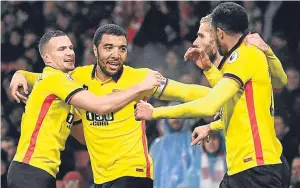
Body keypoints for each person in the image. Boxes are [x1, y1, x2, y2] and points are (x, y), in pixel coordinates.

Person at [10, 22, 286, 188]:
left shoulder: (141, 77)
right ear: (95, 51)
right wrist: (21, 75)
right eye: (108, 48)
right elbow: (48, 79)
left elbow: (184, 90)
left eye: (121, 48)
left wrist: (218, 94)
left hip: (134, 174)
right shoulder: (77, 77)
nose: (115, 55)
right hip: (100, 178)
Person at [135, 2, 290, 188]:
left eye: (201, 35)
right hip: (248, 168)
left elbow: (210, 104)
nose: (195, 42)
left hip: (256, 168)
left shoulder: (243, 57)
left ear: (218, 33)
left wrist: (155, 113)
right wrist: (212, 125)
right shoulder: (238, 62)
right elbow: (236, 105)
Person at [6, 30, 162, 188]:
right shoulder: (55, 79)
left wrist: (21, 74)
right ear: (47, 58)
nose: (69, 53)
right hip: (30, 171)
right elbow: (100, 106)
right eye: (61, 49)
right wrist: (141, 86)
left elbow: (83, 137)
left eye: (70, 48)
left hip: (39, 172)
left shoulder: (61, 89)